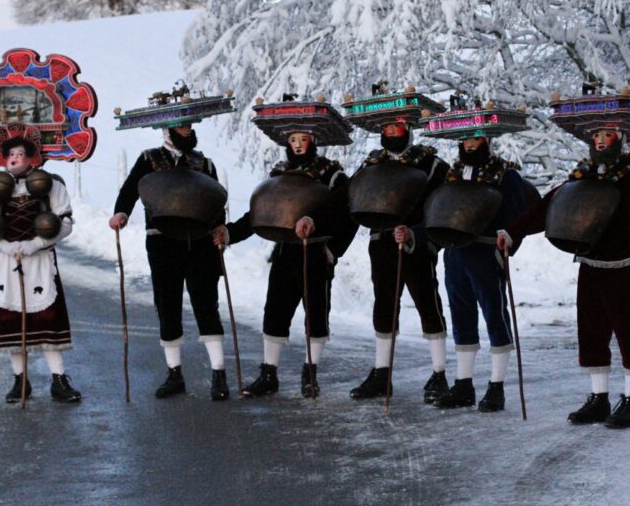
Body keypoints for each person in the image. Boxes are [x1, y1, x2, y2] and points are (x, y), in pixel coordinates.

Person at [498, 125, 630, 429]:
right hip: (590, 265)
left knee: (628, 333)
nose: (601, 140)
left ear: (621, 138)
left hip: (624, 268)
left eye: (608, 135)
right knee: (591, 333)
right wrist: (513, 231)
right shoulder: (584, 175)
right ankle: (599, 398)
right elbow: (549, 205)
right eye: (597, 136)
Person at [212, 130, 357, 398]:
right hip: (284, 252)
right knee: (275, 311)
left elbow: (346, 213)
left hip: (316, 253)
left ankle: (310, 374)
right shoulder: (279, 174)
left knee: (316, 314)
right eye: (293, 140)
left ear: (313, 141)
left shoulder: (333, 174)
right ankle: (269, 374)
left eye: (303, 139)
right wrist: (231, 233)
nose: (298, 145)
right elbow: (262, 213)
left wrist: (332, 250)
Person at [110, 124, 230, 400]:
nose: (185, 131)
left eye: (189, 126)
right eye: (180, 126)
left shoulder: (204, 163)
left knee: (206, 302)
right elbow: (130, 190)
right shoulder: (148, 160)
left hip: (200, 240)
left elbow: (215, 202)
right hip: (162, 240)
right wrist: (121, 213)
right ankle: (174, 373)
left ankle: (219, 373)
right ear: (167, 129)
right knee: (167, 303)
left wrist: (220, 227)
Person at [0, 126, 81, 403]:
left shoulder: (52, 185)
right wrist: (5, 247)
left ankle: (58, 380)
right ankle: (20, 381)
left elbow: (65, 223)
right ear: (4, 158)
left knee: (48, 320)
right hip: (6, 264)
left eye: (21, 153)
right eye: (11, 153)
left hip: (41, 261)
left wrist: (36, 244)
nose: (15, 158)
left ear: (31, 157)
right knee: (11, 321)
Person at [348, 121, 451, 403]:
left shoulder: (432, 165)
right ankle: (382, 373)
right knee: (383, 305)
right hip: (381, 243)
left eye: (397, 128)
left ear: (407, 129)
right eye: (387, 129)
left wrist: (416, 233)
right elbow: (351, 199)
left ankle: (439, 373)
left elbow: (444, 206)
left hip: (416, 245)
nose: (392, 134)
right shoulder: (370, 164)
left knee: (427, 303)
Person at [433, 135, 530, 412]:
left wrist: (508, 241)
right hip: (456, 255)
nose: (469, 145)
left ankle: (496, 386)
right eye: (464, 140)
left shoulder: (505, 175)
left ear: (486, 139)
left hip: (487, 255)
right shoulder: (452, 175)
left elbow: (517, 216)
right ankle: (463, 385)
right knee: (461, 318)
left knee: (495, 318)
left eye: (475, 139)